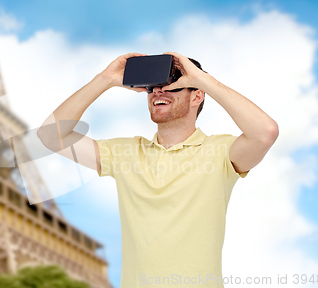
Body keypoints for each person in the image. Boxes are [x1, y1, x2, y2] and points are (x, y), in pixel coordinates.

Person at [37, 52, 279, 287]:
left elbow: (265, 132)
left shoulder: (220, 152)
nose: (158, 91)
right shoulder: (126, 153)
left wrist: (202, 79)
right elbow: (50, 135)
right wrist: (105, 80)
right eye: (152, 87)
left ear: (197, 97)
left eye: (172, 84)